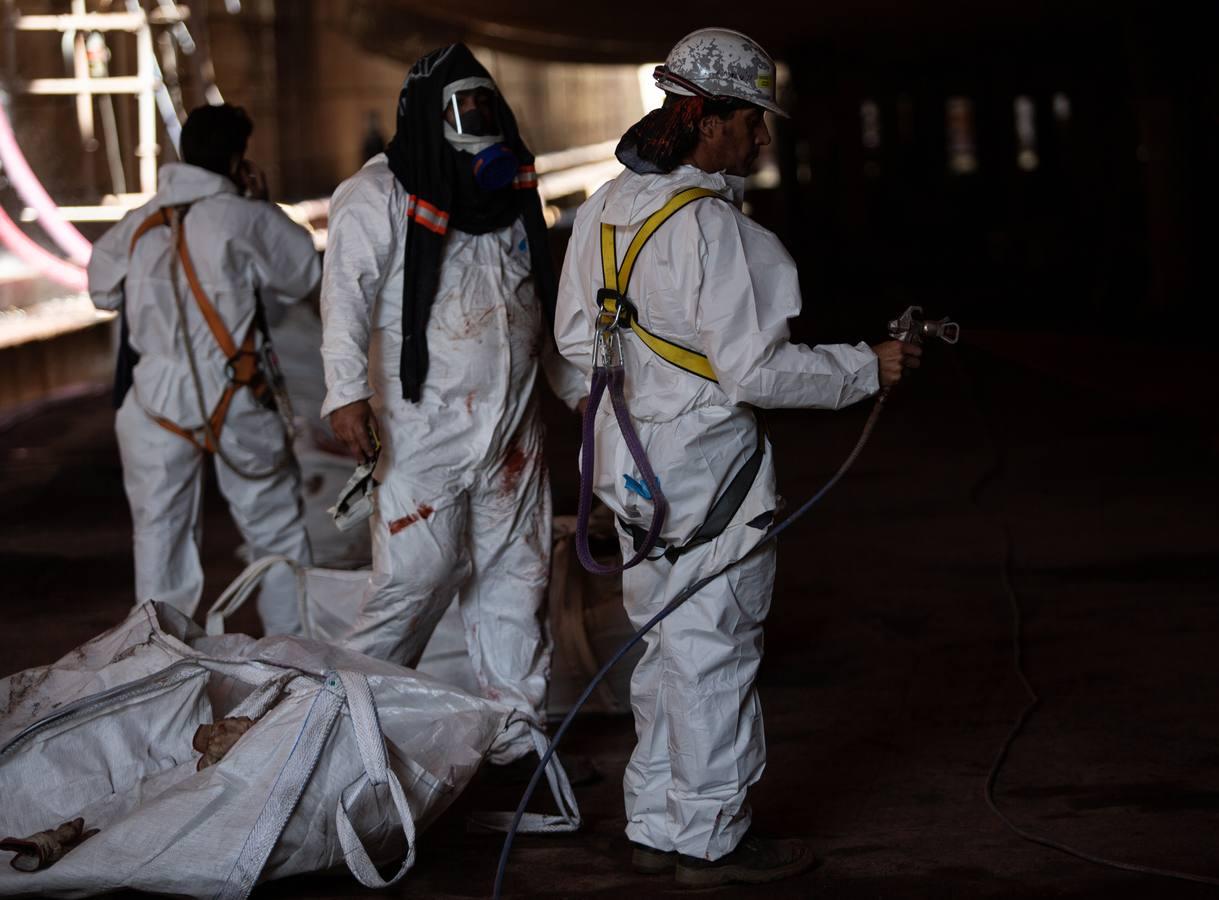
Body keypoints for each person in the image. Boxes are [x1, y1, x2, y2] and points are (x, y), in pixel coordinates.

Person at [554, 27, 918, 886]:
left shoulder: (604, 208)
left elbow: (573, 349)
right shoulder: (719, 233)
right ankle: (710, 833)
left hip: (632, 470)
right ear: (705, 118)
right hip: (709, 473)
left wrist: (621, 445)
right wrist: (868, 366)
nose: (761, 137)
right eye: (752, 120)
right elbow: (758, 372)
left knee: (661, 647)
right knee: (713, 651)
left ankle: (655, 816)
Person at [320, 46, 588, 763]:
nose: (477, 127)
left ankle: (514, 740)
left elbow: (537, 302)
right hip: (422, 429)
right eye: (463, 113)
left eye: (484, 109)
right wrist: (347, 395)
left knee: (517, 577)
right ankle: (332, 734)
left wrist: (579, 392)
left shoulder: (507, 196)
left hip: (512, 431)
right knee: (413, 580)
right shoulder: (377, 194)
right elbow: (344, 297)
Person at [88, 103, 319, 634]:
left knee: (159, 540)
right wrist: (261, 205)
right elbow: (302, 275)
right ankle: (296, 664)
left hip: (155, 401)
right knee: (277, 536)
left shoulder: (140, 223)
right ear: (238, 158)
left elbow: (101, 287)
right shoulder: (245, 217)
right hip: (236, 392)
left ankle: (160, 667)